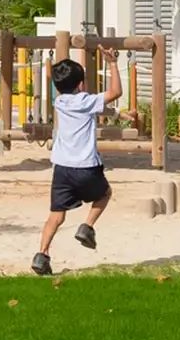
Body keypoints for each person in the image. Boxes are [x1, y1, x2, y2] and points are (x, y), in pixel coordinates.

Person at [34, 57, 122, 276]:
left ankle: (41, 255)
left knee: (56, 215)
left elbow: (66, 89)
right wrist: (111, 63)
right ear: (81, 84)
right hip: (86, 165)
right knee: (104, 194)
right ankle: (87, 227)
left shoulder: (60, 102)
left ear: (57, 86)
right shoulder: (86, 101)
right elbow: (115, 92)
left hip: (62, 167)